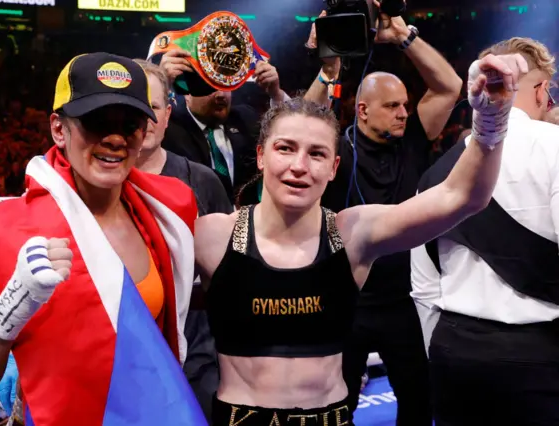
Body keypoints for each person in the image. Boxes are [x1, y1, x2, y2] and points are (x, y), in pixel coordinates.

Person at [195, 49, 527, 425]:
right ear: (260, 156)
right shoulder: (211, 235)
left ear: (334, 167)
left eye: (317, 154)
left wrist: (491, 118)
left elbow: (462, 196)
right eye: (285, 148)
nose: (299, 166)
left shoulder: (351, 234)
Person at [0, 53, 205, 426]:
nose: (115, 138)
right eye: (97, 122)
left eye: (129, 124)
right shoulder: (3, 231)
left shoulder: (168, 214)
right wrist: (15, 304)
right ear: (58, 129)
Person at [304, 4, 462, 423]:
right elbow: (302, 123)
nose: (403, 112)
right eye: (392, 106)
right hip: (343, 300)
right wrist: (328, 71)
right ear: (363, 110)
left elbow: (449, 86)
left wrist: (403, 37)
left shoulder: (410, 138)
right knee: (336, 406)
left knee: (418, 401)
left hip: (402, 300)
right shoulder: (337, 146)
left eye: (405, 105)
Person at [411, 37, 559, 426]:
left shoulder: (437, 171)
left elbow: (424, 285)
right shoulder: (555, 146)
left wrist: (442, 351)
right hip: (538, 354)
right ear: (543, 90)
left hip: (453, 354)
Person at [134, 59, 232, 421]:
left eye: (153, 107)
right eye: (133, 105)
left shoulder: (202, 181)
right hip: (120, 363)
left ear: (167, 114)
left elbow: (228, 281)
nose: (143, 118)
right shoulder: (93, 183)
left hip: (199, 364)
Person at [159, 48, 288, 204]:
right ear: (187, 93)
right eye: (210, 86)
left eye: (225, 85)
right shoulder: (169, 124)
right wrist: (161, 83)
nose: (220, 94)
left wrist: (275, 93)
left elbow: (293, 131)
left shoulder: (245, 118)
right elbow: (143, 124)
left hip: (247, 222)